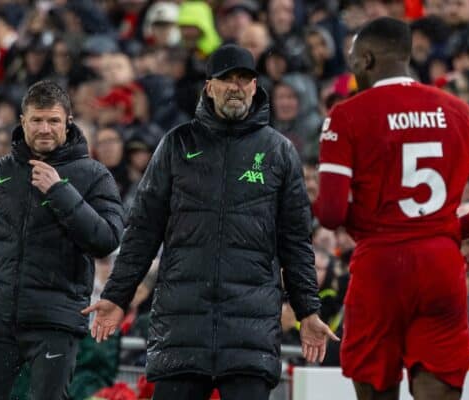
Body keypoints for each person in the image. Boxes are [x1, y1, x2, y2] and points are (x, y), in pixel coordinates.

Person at [83, 44, 338, 400]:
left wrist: (308, 311)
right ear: (209, 86)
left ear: (254, 87)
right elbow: (143, 231)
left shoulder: (279, 152)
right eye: (227, 79)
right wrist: (116, 296)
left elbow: (295, 241)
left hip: (249, 336)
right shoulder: (176, 145)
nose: (236, 87)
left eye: (244, 79)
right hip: (182, 330)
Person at [314, 18, 469, 400]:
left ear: (368, 59)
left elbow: (330, 212)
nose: (353, 69)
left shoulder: (347, 115)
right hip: (440, 263)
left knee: (376, 387)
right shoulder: (459, 111)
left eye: (355, 61)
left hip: (381, 266)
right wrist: (450, 231)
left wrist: (380, 228)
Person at [0, 80, 124, 400]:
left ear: (68, 123)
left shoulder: (94, 174)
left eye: (53, 120)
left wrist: (60, 190)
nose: (45, 129)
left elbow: (106, 240)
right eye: (37, 120)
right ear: (22, 122)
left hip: (55, 321)